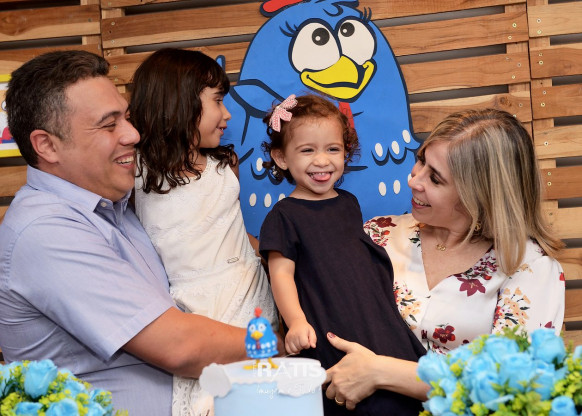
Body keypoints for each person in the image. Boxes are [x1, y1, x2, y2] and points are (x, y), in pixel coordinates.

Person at [0, 50, 270, 415]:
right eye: (108, 125)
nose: (133, 134)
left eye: (127, 118)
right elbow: (180, 347)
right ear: (47, 145)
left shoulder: (117, 203)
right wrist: (280, 343)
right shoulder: (45, 231)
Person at [324, 108, 566, 410]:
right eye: (421, 160)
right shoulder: (378, 235)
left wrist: (379, 371)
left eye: (435, 179)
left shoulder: (528, 267)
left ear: (479, 195)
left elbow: (514, 387)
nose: (414, 180)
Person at [129, 48, 277, 416]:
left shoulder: (225, 164)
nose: (228, 114)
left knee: (260, 393)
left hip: (249, 291)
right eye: (218, 101)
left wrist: (277, 260)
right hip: (192, 308)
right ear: (179, 102)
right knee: (207, 401)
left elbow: (234, 233)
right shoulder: (136, 171)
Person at [258, 94, 427, 416]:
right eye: (307, 150)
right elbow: (280, 274)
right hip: (328, 318)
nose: (322, 161)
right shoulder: (284, 215)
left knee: (396, 387)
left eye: (333, 149)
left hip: (369, 312)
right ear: (281, 158)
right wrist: (296, 322)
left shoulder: (348, 203)